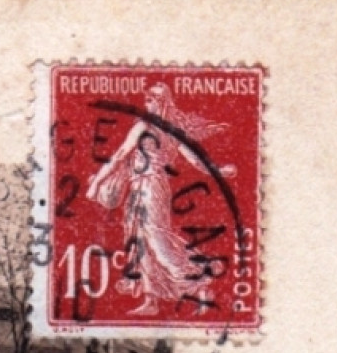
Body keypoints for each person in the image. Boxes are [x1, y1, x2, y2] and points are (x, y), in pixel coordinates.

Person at [86, 82, 235, 316]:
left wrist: (95, 184)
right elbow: (121, 157)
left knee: (156, 239)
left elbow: (120, 156)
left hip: (150, 187)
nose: (148, 101)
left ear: (164, 102)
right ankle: (150, 299)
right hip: (141, 187)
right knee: (140, 240)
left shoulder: (149, 127)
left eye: (154, 98)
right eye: (147, 97)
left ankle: (197, 283)